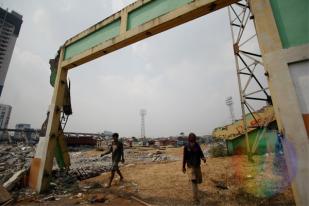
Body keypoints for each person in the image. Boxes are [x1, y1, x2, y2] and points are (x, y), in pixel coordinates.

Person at [182, 132, 206, 204]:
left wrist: (203, 158)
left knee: (199, 181)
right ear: (189, 139)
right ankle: (195, 200)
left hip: (197, 166)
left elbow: (201, 153)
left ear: (195, 138)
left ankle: (196, 191)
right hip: (190, 166)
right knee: (194, 181)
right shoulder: (186, 146)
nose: (192, 139)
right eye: (191, 137)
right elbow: (184, 158)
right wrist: (183, 167)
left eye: (193, 137)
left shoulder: (197, 145)